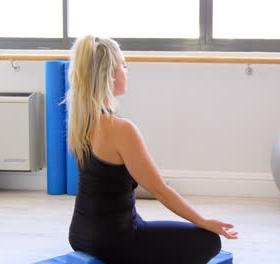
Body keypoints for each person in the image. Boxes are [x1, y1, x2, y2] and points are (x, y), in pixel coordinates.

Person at [64, 35, 238, 264]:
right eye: (124, 66)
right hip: (115, 242)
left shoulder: (80, 123)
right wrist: (204, 222)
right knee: (210, 241)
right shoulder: (121, 129)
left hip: (80, 235)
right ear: (109, 74)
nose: (127, 72)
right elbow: (160, 191)